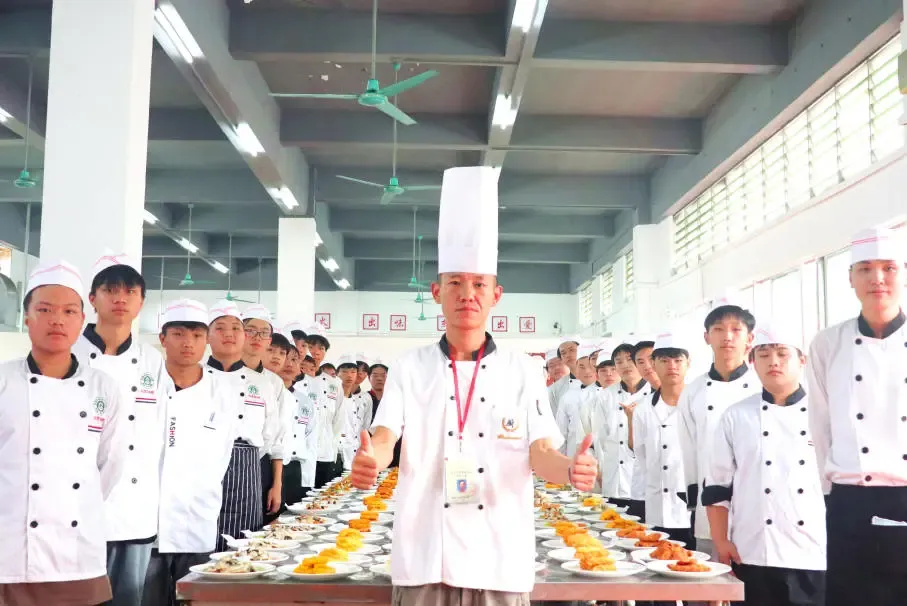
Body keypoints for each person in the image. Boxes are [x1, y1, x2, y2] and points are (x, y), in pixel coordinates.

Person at [349, 166, 598, 606]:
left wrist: (569, 471)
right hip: (425, 551)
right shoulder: (409, 366)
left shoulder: (523, 370)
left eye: (479, 284)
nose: (468, 293)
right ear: (436, 292)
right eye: (455, 283)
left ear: (495, 295)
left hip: (499, 554)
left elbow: (541, 452)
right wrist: (372, 460)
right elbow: (385, 437)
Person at [0, 260, 127, 606]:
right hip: (11, 551)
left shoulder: (103, 387)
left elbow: (110, 465)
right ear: (27, 317)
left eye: (69, 311)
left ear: (81, 320)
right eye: (45, 310)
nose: (57, 319)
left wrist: (77, 501)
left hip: (78, 550)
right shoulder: (4, 380)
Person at [807, 226, 907, 606]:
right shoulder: (827, 344)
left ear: (903, 273)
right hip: (849, 503)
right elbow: (820, 427)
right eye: (865, 269)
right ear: (850, 278)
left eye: (888, 268)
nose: (877, 278)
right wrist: (827, 496)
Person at [705, 323, 826, 606]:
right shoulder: (736, 416)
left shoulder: (824, 414)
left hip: (813, 551)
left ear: (802, 360)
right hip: (752, 549)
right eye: (763, 355)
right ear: (752, 362)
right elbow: (717, 487)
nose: (773, 362)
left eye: (782, 354)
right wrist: (721, 542)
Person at [73, 253, 165, 606]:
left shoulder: (151, 360)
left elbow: (159, 432)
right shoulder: (69, 353)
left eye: (130, 292)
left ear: (141, 302)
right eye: (110, 290)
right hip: (75, 503)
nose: (120, 299)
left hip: (134, 505)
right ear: (92, 299)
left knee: (128, 597)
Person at [143, 300, 238, 606]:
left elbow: (222, 455)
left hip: (197, 515)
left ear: (206, 340)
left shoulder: (222, 392)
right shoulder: (145, 385)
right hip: (148, 519)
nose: (188, 343)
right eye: (179, 334)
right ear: (163, 338)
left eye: (197, 335)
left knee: (195, 599)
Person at [205, 300, 287, 552]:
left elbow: (271, 433)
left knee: (245, 538)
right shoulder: (198, 375)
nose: (229, 335)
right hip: (206, 461)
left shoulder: (263, 383)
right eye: (221, 329)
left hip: (248, 466)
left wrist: (251, 459)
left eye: (236, 329)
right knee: (205, 532)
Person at [679, 304, 760, 554]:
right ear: (706, 337)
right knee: (708, 572)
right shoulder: (693, 391)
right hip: (708, 506)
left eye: (736, 329)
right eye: (718, 329)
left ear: (750, 338)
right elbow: (688, 449)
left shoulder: (761, 386)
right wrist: (694, 501)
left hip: (757, 504)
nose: (727, 337)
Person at [632, 331, 694, 547]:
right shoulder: (642, 410)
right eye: (664, 360)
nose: (672, 366)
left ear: (688, 363)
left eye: (678, 360)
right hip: (656, 506)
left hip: (692, 511)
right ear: (654, 364)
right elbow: (641, 458)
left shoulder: (699, 404)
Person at [609, 342, 653, 519]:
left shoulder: (654, 394)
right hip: (617, 477)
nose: (625, 365)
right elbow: (600, 438)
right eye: (619, 362)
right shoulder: (606, 395)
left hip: (647, 481)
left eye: (629, 360)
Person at [280, 345, 321, 505]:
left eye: (294, 360)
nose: (289, 364)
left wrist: (308, 480)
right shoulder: (270, 393)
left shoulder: (305, 401)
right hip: (272, 467)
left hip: (297, 468)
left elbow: (311, 441)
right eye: (286, 358)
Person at [305, 324, 344, 487]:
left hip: (325, 453)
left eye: (321, 348)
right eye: (311, 346)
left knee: (324, 497)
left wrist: (332, 445)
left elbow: (338, 420)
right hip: (300, 454)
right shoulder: (296, 381)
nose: (315, 352)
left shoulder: (334, 384)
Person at [555, 344, 597, 457]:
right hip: (574, 459)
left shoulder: (610, 394)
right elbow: (561, 436)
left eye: (590, 366)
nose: (587, 371)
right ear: (577, 370)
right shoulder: (567, 397)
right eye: (582, 367)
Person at [367, 359, 401, 468]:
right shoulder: (364, 399)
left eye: (383, 375)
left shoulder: (397, 400)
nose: (379, 378)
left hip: (395, 448)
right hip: (370, 448)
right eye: (375, 375)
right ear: (369, 378)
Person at [547, 336, 581, 416]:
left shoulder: (598, 380)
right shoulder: (553, 390)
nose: (568, 355)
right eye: (563, 353)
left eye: (572, 350)